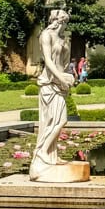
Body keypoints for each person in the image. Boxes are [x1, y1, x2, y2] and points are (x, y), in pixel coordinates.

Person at [31, 10, 75, 181]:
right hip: (49, 83)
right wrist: (60, 79)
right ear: (59, 21)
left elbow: (64, 63)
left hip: (58, 83)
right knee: (57, 120)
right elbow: (48, 62)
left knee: (56, 120)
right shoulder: (46, 35)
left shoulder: (64, 40)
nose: (65, 26)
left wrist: (67, 77)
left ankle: (52, 155)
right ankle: (42, 152)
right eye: (65, 23)